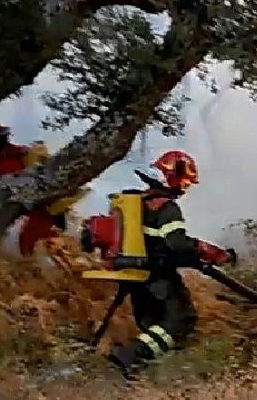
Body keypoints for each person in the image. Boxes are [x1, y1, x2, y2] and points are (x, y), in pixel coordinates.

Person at [96, 150, 236, 379]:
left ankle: (138, 373)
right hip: (157, 276)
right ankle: (128, 357)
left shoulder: (136, 203)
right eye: (184, 181)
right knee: (181, 321)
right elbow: (177, 244)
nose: (184, 188)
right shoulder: (165, 207)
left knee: (154, 325)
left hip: (135, 275)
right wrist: (210, 252)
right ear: (170, 175)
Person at [0, 120, 85, 256]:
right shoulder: (21, 153)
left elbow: (18, 190)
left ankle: (44, 269)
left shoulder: (9, 161)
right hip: (47, 206)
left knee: (27, 242)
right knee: (40, 240)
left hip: (42, 208)